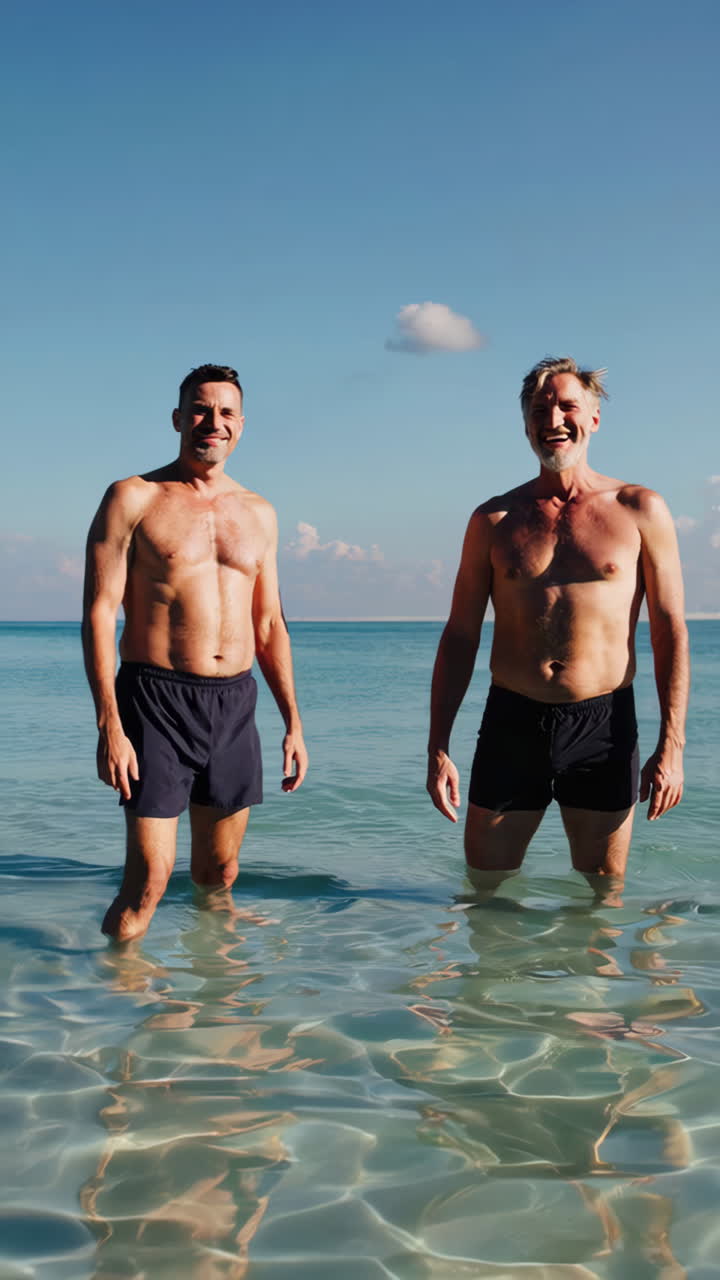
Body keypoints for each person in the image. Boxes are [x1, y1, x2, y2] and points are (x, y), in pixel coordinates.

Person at [427, 356, 689, 884]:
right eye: (541, 409)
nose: (554, 419)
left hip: (604, 723)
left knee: (600, 901)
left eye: (568, 406)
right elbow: (460, 636)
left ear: (594, 418)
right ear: (526, 425)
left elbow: (669, 630)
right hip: (512, 720)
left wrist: (672, 746)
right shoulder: (494, 520)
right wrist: (438, 746)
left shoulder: (639, 508)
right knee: (485, 894)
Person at [83, 364, 308, 940]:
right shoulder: (133, 497)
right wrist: (110, 723)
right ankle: (115, 1006)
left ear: (241, 425)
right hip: (154, 700)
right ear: (179, 419)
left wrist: (293, 723)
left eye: (226, 412)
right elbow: (100, 613)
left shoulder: (259, 512)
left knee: (220, 874)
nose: (213, 423)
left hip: (233, 704)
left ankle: (215, 996)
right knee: (149, 881)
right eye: (201, 411)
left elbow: (268, 623)